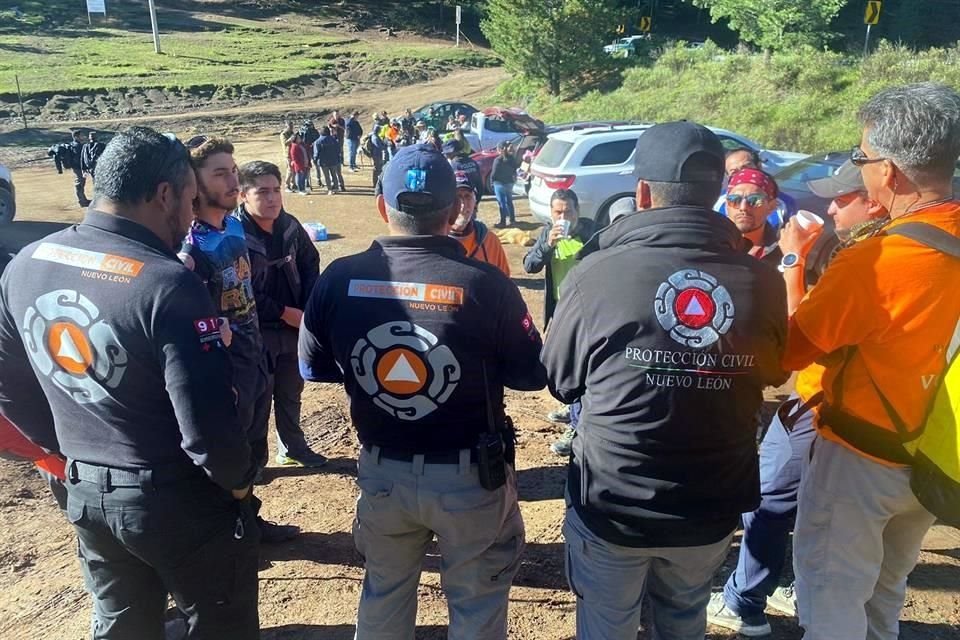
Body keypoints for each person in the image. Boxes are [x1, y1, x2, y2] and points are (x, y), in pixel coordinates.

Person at [0, 126, 260, 638]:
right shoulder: (168, 284)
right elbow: (207, 425)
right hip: (174, 497)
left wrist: (70, 450)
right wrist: (239, 481)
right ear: (164, 194)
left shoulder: (28, 261)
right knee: (218, 622)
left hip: (85, 490)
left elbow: (9, 388)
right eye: (188, 200)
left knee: (123, 625)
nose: (190, 216)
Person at [541, 121, 787, 640]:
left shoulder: (597, 272)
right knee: (683, 617)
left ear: (644, 193)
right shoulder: (763, 279)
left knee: (606, 625)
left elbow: (560, 380)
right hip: (712, 502)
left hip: (613, 501)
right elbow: (772, 371)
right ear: (718, 191)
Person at [298, 143, 546, 639]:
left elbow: (313, 368)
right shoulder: (487, 285)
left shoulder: (338, 278)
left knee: (385, 592)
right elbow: (530, 375)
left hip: (382, 470)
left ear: (381, 205)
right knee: (476, 604)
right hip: (470, 478)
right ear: (455, 209)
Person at [779, 82, 960, 640]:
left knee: (832, 594)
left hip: (862, 457)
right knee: (887, 590)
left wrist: (792, 268)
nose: (859, 169)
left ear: (892, 172)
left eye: (862, 157)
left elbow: (791, 350)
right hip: (936, 453)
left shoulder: (877, 259)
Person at [707, 160, 888, 637]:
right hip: (833, 402)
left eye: (841, 199)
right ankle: (795, 589)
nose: (829, 208)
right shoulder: (886, 248)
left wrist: (792, 261)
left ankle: (746, 600)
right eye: (735, 198)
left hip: (814, 397)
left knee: (769, 499)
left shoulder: (836, 253)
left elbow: (797, 338)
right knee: (801, 503)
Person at [178, 137, 299, 543]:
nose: (233, 180)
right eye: (220, 173)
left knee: (251, 447)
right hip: (223, 365)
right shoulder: (189, 247)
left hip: (254, 351)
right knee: (226, 453)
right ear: (194, 183)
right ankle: (227, 535)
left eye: (233, 170)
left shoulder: (232, 224)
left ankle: (249, 522)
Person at [235, 161, 328, 469]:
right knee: (258, 399)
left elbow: (310, 263)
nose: (273, 198)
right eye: (263, 191)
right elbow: (237, 289)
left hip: (293, 325)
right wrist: (284, 312)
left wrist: (308, 308)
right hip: (254, 329)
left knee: (291, 390)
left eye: (276, 190)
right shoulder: (233, 235)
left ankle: (292, 448)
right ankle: (255, 461)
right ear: (243, 195)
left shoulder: (290, 226)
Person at [522, 189, 594, 455]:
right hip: (560, 311)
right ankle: (571, 405)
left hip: (587, 313)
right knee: (560, 364)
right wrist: (546, 245)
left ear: (578, 212)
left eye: (568, 212)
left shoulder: (593, 236)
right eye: (558, 212)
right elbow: (529, 265)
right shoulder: (547, 233)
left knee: (580, 367)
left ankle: (576, 425)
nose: (563, 217)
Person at [716, 147, 797, 229]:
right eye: (734, 172)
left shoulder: (784, 204)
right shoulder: (719, 204)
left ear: (759, 166)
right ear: (728, 176)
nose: (742, 174)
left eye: (746, 168)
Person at [449, 170, 510, 276]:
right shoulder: (435, 241)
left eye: (467, 196)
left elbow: (505, 284)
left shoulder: (489, 241)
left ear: (475, 202)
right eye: (457, 197)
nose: (463, 205)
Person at [724, 167, 783, 265]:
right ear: (726, 205)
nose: (743, 207)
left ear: (771, 206)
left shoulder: (783, 253)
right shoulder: (711, 245)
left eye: (754, 200)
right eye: (735, 200)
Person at [491, 142, 519, 227]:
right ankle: (512, 220)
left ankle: (503, 222)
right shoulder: (512, 159)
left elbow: (494, 173)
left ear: (499, 149)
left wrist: (492, 183)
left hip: (499, 183)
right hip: (509, 183)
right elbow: (515, 170)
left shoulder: (498, 160)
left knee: (501, 203)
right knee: (509, 201)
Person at [313, 126, 345, 195]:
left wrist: (315, 160)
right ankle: (336, 188)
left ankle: (330, 189)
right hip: (333, 160)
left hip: (324, 161)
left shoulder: (318, 142)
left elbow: (316, 153)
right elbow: (338, 150)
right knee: (334, 175)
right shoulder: (333, 140)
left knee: (327, 176)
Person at [68, 130, 91, 207]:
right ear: (76, 137)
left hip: (78, 167)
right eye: (81, 135)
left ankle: (83, 200)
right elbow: (80, 158)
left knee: (81, 182)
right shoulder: (77, 146)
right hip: (78, 167)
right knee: (79, 183)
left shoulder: (76, 145)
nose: (83, 137)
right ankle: (82, 201)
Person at [280, 120, 297, 192]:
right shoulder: (283, 134)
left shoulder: (292, 132)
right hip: (288, 154)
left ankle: (293, 184)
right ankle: (287, 185)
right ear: (286, 126)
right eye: (290, 126)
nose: (291, 128)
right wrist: (291, 139)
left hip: (293, 153)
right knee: (290, 170)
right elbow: (285, 143)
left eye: (292, 126)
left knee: (294, 170)